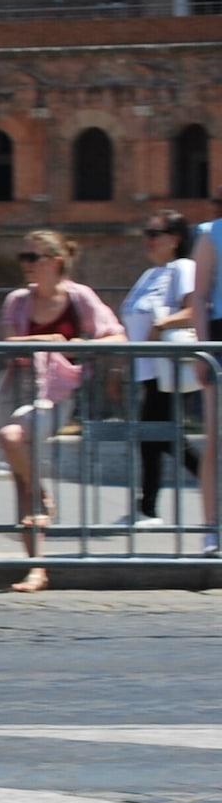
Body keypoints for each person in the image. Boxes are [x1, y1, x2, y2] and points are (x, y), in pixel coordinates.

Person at [0, 230, 122, 594]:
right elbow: (7, 341)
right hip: (17, 388)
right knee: (20, 478)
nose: (25, 265)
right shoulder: (19, 300)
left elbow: (117, 335)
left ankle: (42, 495)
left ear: (55, 262)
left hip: (57, 394)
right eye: (23, 257)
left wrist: (84, 343)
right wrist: (42, 340)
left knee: (10, 438)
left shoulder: (79, 297)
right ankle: (35, 567)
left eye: (32, 258)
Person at [122, 210, 202, 528]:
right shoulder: (150, 274)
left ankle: (148, 509)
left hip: (170, 367)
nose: (148, 240)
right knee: (159, 437)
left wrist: (161, 324)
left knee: (158, 436)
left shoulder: (182, 268)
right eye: (146, 233)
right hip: (149, 369)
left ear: (175, 239)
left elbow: (194, 310)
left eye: (154, 234)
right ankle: (147, 508)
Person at [196, 188, 222, 556]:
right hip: (219, 337)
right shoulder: (211, 232)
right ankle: (211, 527)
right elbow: (200, 295)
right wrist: (202, 351)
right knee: (215, 436)